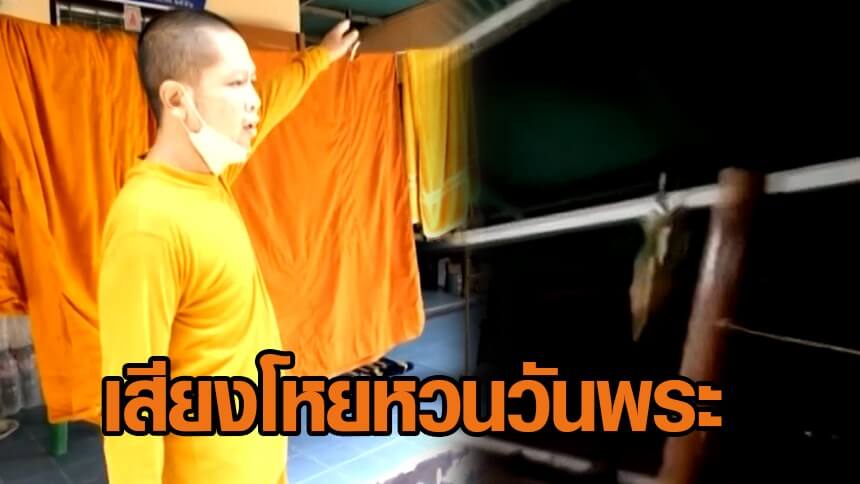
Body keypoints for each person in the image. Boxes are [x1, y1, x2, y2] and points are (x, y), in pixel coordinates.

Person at [97, 8, 359, 484]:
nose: (253, 99)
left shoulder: (211, 177)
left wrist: (322, 56)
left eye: (252, 81)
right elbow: (133, 404)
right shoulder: (147, 223)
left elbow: (272, 103)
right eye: (236, 84)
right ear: (177, 99)